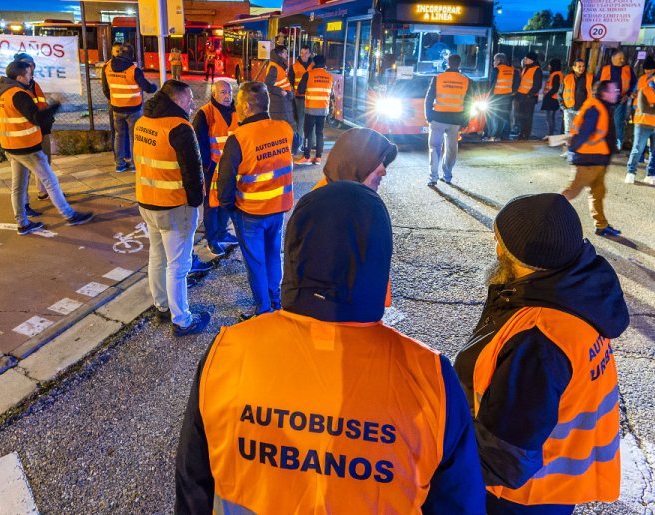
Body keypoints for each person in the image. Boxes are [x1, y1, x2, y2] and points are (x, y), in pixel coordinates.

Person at [175, 181, 486, 513]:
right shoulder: (430, 377)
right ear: (380, 260)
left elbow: (193, 486)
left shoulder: (228, 352)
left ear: (294, 252)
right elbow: (459, 503)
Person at [454, 193, 628, 515]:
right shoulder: (577, 291)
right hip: (552, 490)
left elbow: (504, 459)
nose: (495, 246)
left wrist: (435, 465)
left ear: (513, 256)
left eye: (499, 240)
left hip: (517, 498)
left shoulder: (538, 340)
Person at [134, 80, 212, 336]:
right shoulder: (179, 127)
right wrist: (196, 205)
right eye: (189, 99)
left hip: (147, 202)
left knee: (157, 257)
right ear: (177, 100)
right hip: (174, 206)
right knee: (178, 265)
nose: (193, 104)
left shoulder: (143, 122)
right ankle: (182, 320)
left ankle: (162, 307)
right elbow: (192, 173)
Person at [216, 82, 294, 319]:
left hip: (250, 211)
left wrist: (228, 206)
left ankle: (264, 310)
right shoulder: (285, 128)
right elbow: (295, 145)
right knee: (272, 255)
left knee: (256, 262)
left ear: (247, 107)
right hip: (278, 209)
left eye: (238, 102)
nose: (235, 106)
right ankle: (276, 301)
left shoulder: (239, 138)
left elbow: (225, 180)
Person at [0, 59, 93, 235]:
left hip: (10, 146)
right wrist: (56, 103)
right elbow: (37, 118)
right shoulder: (18, 94)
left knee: (18, 186)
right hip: (27, 147)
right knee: (50, 181)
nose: (31, 77)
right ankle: (69, 215)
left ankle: (22, 223)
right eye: (29, 74)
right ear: (20, 76)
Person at [561, 80, 621, 237]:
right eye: (614, 90)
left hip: (597, 160)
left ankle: (602, 225)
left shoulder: (602, 106)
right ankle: (543, 214)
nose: (617, 93)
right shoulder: (595, 108)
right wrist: (573, 150)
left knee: (598, 193)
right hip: (589, 160)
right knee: (571, 192)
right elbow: (583, 133)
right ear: (604, 93)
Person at [192, 79, 239, 256]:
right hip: (212, 168)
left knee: (226, 202)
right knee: (211, 205)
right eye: (223, 92)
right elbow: (199, 142)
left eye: (229, 92)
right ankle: (212, 239)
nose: (227, 96)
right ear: (214, 94)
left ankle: (222, 232)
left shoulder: (237, 112)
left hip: (232, 168)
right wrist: (207, 166)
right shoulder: (205, 114)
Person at [102, 43, 157, 173]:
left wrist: (114, 99)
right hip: (133, 109)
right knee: (134, 137)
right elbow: (147, 88)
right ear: (131, 55)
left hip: (116, 108)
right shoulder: (134, 70)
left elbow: (106, 88)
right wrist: (154, 87)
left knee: (119, 136)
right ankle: (133, 164)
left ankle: (119, 164)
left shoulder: (107, 67)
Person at [11, 53, 53, 211]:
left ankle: (42, 193)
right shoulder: (16, 91)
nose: (32, 70)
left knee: (44, 166)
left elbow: (40, 106)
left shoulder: (33, 84)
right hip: (25, 137)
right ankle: (25, 205)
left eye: (32, 66)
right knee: (23, 175)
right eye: (28, 67)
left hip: (41, 130)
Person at [425, 53, 473, 186]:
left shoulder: (438, 78)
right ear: (460, 64)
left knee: (434, 147)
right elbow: (468, 103)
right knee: (452, 148)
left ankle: (433, 178)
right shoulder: (465, 80)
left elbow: (429, 99)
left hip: (438, 118)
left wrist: (429, 116)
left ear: (447, 63)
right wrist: (465, 121)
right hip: (455, 120)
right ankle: (447, 176)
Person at [315, 127, 398, 191]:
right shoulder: (334, 209)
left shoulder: (337, 192)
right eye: (380, 161)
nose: (384, 172)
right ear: (354, 163)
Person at [295, 54, 332, 165]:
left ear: (314, 63)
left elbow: (300, 90)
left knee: (308, 133)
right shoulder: (329, 77)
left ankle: (306, 157)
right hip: (323, 110)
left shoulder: (309, 74)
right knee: (319, 133)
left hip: (311, 109)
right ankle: (318, 158)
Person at [263, 45, 298, 150]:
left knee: (285, 128)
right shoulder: (274, 67)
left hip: (283, 104)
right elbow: (267, 85)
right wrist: (280, 92)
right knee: (281, 129)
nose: (287, 55)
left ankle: (286, 148)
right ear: (279, 54)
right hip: (279, 105)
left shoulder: (279, 66)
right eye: (285, 53)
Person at [597, 49, 633, 149]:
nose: (622, 60)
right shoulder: (604, 69)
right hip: (606, 102)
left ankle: (617, 145)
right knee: (604, 122)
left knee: (618, 123)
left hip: (621, 101)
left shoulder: (627, 69)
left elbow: (634, 83)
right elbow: (597, 83)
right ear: (613, 58)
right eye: (619, 58)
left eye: (623, 58)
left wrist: (628, 94)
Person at [512, 52, 543, 140]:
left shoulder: (537, 70)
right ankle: (522, 133)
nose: (524, 60)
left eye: (526, 58)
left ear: (531, 60)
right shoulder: (525, 68)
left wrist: (529, 95)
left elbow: (537, 85)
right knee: (521, 117)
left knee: (527, 118)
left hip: (529, 98)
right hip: (521, 96)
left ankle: (525, 134)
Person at [488, 53, 517, 141]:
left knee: (493, 117)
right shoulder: (512, 70)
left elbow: (492, 84)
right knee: (505, 116)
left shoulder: (496, 70)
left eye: (494, 60)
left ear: (499, 61)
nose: (493, 62)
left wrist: (489, 97)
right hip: (507, 97)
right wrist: (512, 93)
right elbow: (516, 83)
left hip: (496, 97)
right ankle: (503, 135)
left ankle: (493, 135)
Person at [561, 59, 593, 133]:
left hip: (582, 110)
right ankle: (569, 145)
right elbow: (560, 93)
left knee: (579, 132)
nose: (582, 68)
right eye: (579, 66)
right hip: (568, 109)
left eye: (583, 66)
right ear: (573, 67)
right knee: (568, 132)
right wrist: (563, 107)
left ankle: (575, 144)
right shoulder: (567, 78)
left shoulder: (590, 78)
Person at [291, 45, 312, 155]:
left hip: (310, 98)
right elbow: (290, 82)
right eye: (302, 53)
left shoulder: (313, 66)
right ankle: (299, 144)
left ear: (310, 54)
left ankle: (309, 143)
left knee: (309, 121)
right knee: (300, 121)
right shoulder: (294, 67)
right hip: (298, 98)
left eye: (306, 53)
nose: (304, 55)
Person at [541, 58, 564, 137]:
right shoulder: (557, 74)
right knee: (551, 118)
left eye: (550, 64)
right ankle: (550, 134)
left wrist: (547, 95)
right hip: (553, 99)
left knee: (550, 118)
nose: (548, 66)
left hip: (551, 99)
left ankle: (550, 135)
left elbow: (555, 88)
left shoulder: (556, 75)